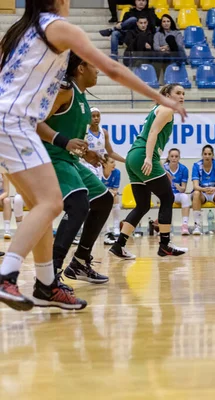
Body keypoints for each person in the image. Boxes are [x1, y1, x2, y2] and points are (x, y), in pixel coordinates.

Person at [0, 0, 186, 311]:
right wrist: (160, 98)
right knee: (51, 204)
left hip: (14, 122)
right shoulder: (57, 28)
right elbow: (113, 68)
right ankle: (7, 273)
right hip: (15, 122)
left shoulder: (20, 32)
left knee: (41, 207)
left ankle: (47, 284)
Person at [38, 52, 118, 296]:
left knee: (104, 200)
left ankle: (80, 262)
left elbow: (72, 138)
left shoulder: (82, 99)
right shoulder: (64, 91)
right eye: (94, 65)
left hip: (70, 160)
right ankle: (49, 276)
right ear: (81, 68)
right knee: (78, 204)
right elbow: (34, 122)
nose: (98, 71)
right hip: (52, 159)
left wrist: (86, 154)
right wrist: (63, 142)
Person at [110, 84, 188, 259]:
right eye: (178, 93)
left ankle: (119, 245)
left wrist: (157, 164)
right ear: (168, 94)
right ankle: (165, 244)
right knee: (167, 197)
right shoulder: (167, 109)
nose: (182, 96)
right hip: (143, 156)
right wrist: (148, 159)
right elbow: (152, 133)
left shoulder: (157, 108)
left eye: (183, 93)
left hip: (133, 156)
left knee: (143, 205)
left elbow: (152, 138)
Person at [82, 107, 126, 178]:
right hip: (86, 165)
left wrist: (126, 161)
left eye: (98, 116)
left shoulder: (104, 132)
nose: (96, 118)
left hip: (99, 166)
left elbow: (111, 153)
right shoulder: (84, 132)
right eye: (93, 116)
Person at [163, 148, 191, 235]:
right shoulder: (163, 168)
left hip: (177, 194)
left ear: (179, 158)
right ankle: (166, 227)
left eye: (176, 156)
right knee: (166, 199)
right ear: (168, 157)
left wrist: (179, 187)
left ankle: (185, 225)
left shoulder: (183, 169)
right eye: (172, 156)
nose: (174, 158)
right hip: (165, 194)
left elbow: (183, 189)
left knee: (185, 197)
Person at [153, 14, 186, 81]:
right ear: (161, 23)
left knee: (170, 38)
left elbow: (179, 45)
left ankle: (178, 60)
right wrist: (163, 49)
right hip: (163, 55)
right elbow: (155, 47)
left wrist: (166, 47)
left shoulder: (177, 33)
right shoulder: (158, 34)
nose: (166, 23)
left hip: (175, 53)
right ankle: (157, 80)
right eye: (164, 21)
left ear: (171, 22)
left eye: (168, 21)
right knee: (163, 56)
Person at [101, 157, 122, 244]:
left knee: (115, 198)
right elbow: (97, 189)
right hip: (98, 194)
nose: (114, 164)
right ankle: (106, 230)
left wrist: (109, 191)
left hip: (109, 193)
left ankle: (116, 227)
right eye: (112, 162)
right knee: (101, 202)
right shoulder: (98, 172)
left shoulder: (117, 172)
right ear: (104, 164)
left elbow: (115, 190)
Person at [1, 175, 24, 241]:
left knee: (7, 200)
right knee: (17, 199)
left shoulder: (3, 174)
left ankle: (7, 230)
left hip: (1, 196)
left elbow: (6, 192)